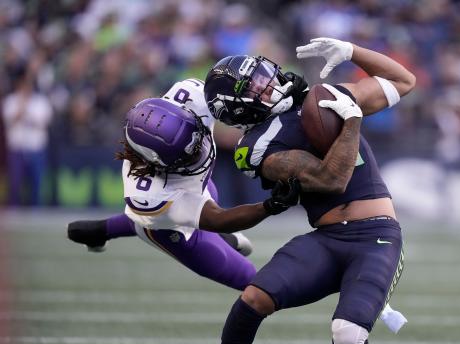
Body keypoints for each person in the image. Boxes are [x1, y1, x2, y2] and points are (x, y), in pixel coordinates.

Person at [196, 37, 415, 344]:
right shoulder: (257, 147)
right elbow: (333, 180)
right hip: (328, 238)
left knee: (348, 336)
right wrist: (352, 121)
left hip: (375, 236)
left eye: (262, 74)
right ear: (239, 107)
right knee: (253, 299)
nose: (267, 82)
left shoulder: (326, 96)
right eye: (252, 86)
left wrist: (351, 52)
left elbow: (404, 81)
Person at [67, 77, 300, 291]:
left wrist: (284, 94)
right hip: (171, 228)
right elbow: (217, 219)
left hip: (196, 191)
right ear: (158, 163)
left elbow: (241, 91)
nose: (200, 152)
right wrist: (271, 205)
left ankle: (99, 231)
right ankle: (102, 230)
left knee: (211, 201)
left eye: (196, 140)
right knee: (252, 281)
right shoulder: (151, 195)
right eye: (188, 155)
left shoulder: (192, 97)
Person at [3, 73, 53, 206]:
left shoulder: (41, 101)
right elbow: (9, 120)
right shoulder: (11, 100)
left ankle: (36, 212)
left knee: (37, 184)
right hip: (17, 149)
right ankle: (14, 210)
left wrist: (28, 114)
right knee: (15, 183)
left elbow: (42, 123)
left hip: (36, 148)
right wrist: (22, 107)